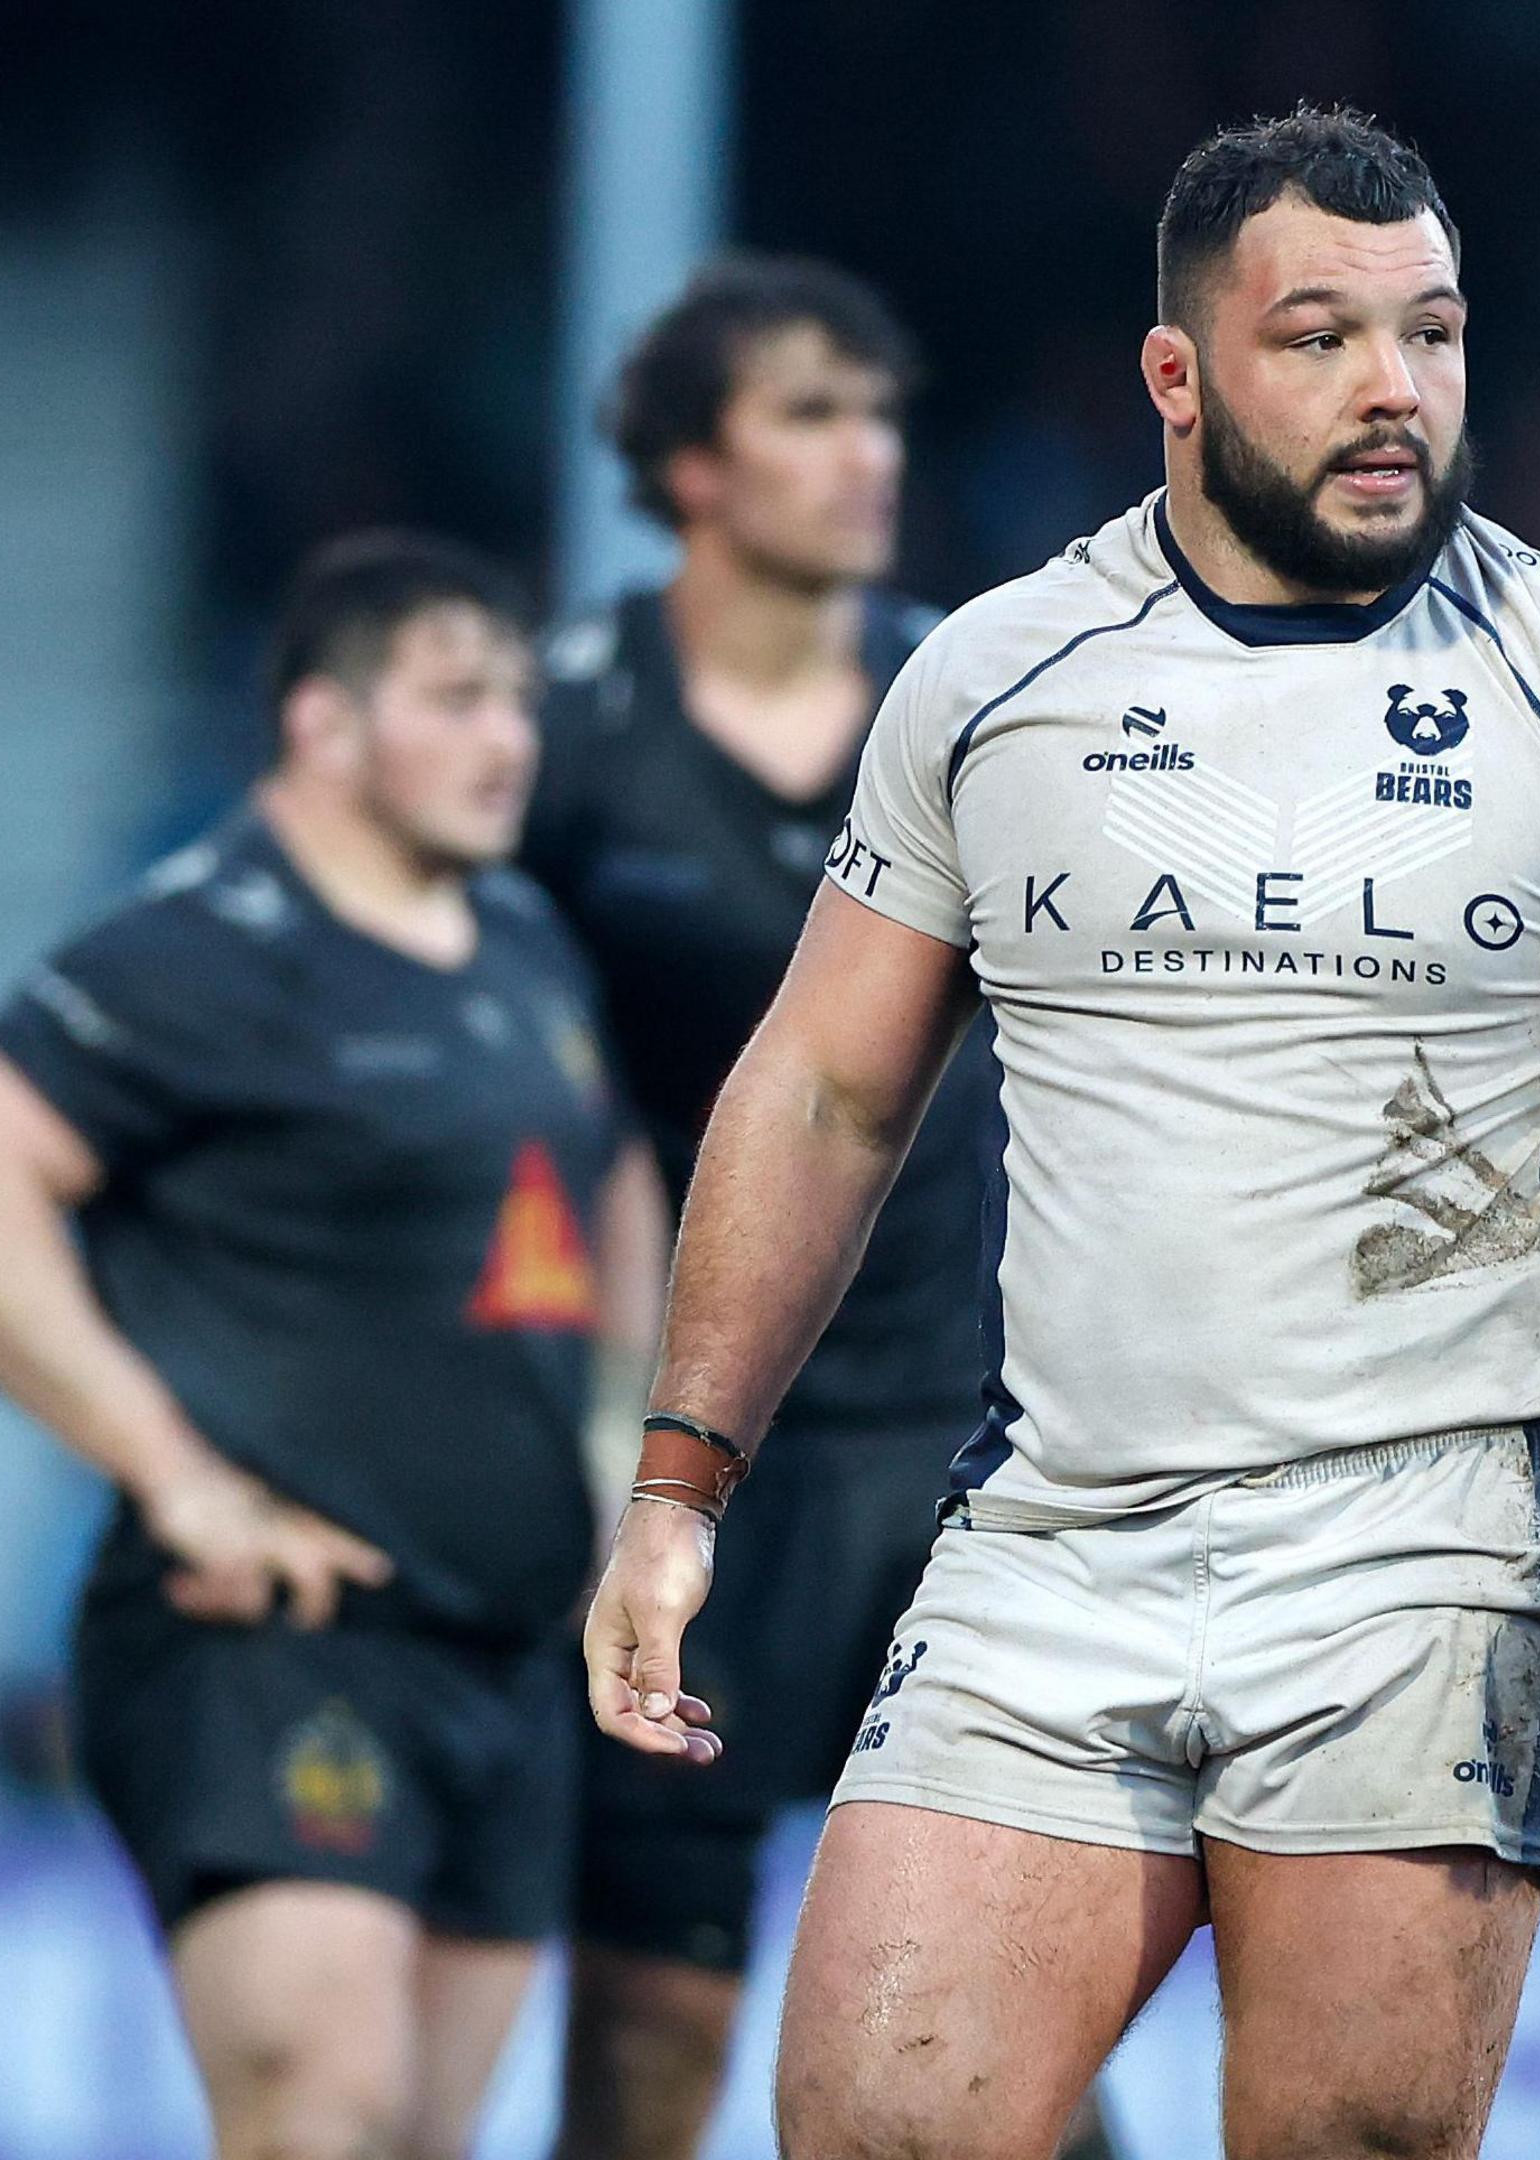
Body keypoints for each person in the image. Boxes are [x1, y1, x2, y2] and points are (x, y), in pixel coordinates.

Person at [580, 105, 1540, 2160]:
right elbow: (820, 1090)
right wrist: (677, 1485)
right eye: (1321, 338)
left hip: (1421, 1556)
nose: (1392, 394)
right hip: (1051, 1553)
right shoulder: (1000, 677)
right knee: (877, 2130)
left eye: (1432, 337)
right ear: (1177, 377)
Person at [0, 533, 663, 2160]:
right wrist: (176, 1478)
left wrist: (615, 1463)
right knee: (322, 2111)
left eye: (518, 701)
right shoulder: (206, 945)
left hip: (501, 1658)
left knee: (419, 2139)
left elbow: (610, 1185)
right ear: (321, 724)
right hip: (278, 1637)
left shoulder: (523, 945)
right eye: (456, 699)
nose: (509, 739)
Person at [519, 255, 1115, 2160]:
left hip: (969, 1449)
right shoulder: (559, 734)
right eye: (809, 413)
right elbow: (487, 1073)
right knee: (645, 2036)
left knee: (1014, 2037)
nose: (869, 454)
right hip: (701, 1454)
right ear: (690, 468)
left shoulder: (987, 699)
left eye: (881, 413)